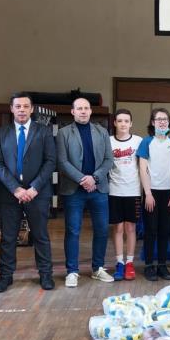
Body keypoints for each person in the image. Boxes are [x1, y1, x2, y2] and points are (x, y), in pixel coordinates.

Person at [0, 92, 56, 292]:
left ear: (31, 109)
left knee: (40, 236)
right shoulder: (1, 133)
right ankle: (5, 276)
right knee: (8, 237)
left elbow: (50, 161)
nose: (22, 110)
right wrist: (16, 188)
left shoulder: (44, 131)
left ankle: (46, 275)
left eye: (26, 106)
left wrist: (34, 187)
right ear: (11, 109)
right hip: (9, 194)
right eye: (18, 106)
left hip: (38, 193)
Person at [57, 97, 114, 288]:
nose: (83, 111)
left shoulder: (102, 131)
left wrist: (94, 178)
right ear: (72, 112)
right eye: (79, 108)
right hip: (74, 189)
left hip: (98, 188)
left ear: (90, 111)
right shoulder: (64, 133)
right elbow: (62, 162)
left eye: (86, 108)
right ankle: (72, 271)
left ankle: (98, 268)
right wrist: (83, 179)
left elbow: (108, 159)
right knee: (73, 230)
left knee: (102, 229)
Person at [137, 108, 170, 281]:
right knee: (151, 230)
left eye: (165, 119)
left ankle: (162, 265)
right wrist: (147, 193)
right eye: (159, 119)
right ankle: (149, 265)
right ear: (153, 122)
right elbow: (142, 169)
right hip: (152, 192)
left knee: (164, 230)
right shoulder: (146, 142)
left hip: (168, 193)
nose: (162, 122)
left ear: (168, 122)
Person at [108, 108, 142, 281]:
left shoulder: (138, 141)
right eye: (120, 121)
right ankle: (119, 262)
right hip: (114, 190)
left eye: (126, 121)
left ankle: (129, 263)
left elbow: (143, 166)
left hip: (133, 191)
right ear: (115, 123)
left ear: (131, 123)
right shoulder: (108, 141)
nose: (123, 124)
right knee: (118, 228)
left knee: (130, 227)